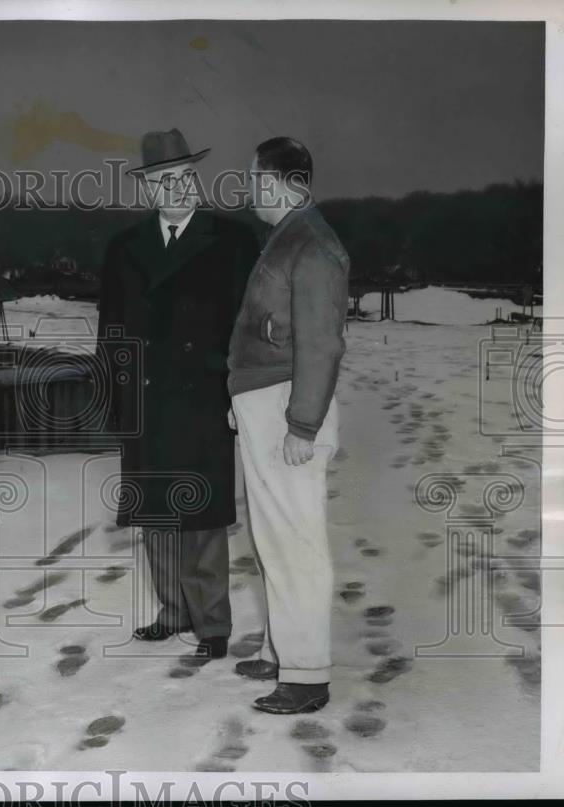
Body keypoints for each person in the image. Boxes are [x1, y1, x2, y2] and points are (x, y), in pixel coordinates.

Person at [96, 129, 258, 660]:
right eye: (166, 180)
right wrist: (114, 401)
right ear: (148, 188)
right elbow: (111, 333)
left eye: (187, 176)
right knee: (155, 514)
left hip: (204, 399)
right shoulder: (123, 249)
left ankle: (212, 624)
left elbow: (250, 327)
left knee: (204, 517)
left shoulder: (233, 242)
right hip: (145, 401)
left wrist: (238, 393)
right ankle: (172, 612)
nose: (179, 187)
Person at [227, 137, 349, 714]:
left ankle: (305, 677)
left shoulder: (313, 245)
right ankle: (283, 652)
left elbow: (321, 345)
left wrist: (302, 424)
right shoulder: (290, 236)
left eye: (252, 178)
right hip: (267, 402)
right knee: (272, 538)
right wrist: (244, 396)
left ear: (275, 182)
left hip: (288, 410)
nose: (248, 189)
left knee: (295, 540)